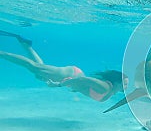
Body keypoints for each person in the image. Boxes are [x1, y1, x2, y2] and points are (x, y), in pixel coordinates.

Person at [0, 31, 128, 102]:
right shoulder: (104, 87)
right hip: (71, 75)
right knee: (34, 67)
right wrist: (59, 85)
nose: (127, 86)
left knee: (39, 70)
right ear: (117, 82)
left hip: (71, 79)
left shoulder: (111, 90)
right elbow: (83, 80)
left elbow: (83, 85)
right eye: (125, 83)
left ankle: (26, 45)